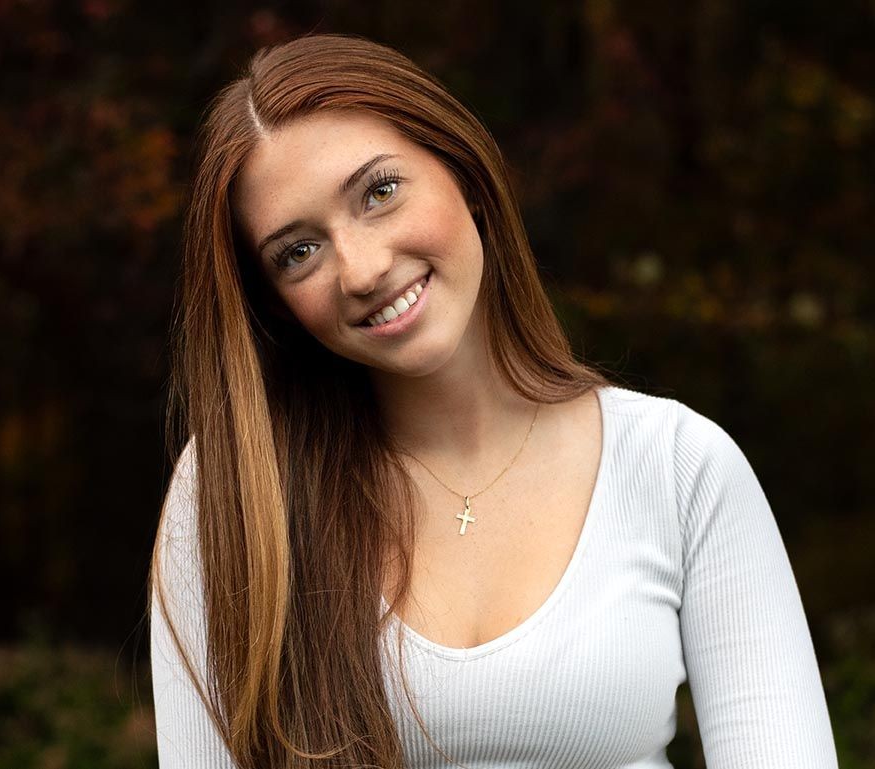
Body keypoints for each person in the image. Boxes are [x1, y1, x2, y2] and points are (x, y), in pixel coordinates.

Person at [148, 33, 839, 769]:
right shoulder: (232, 492)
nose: (362, 268)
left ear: (467, 176)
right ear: (276, 304)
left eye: (380, 192)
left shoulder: (677, 467)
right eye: (299, 251)